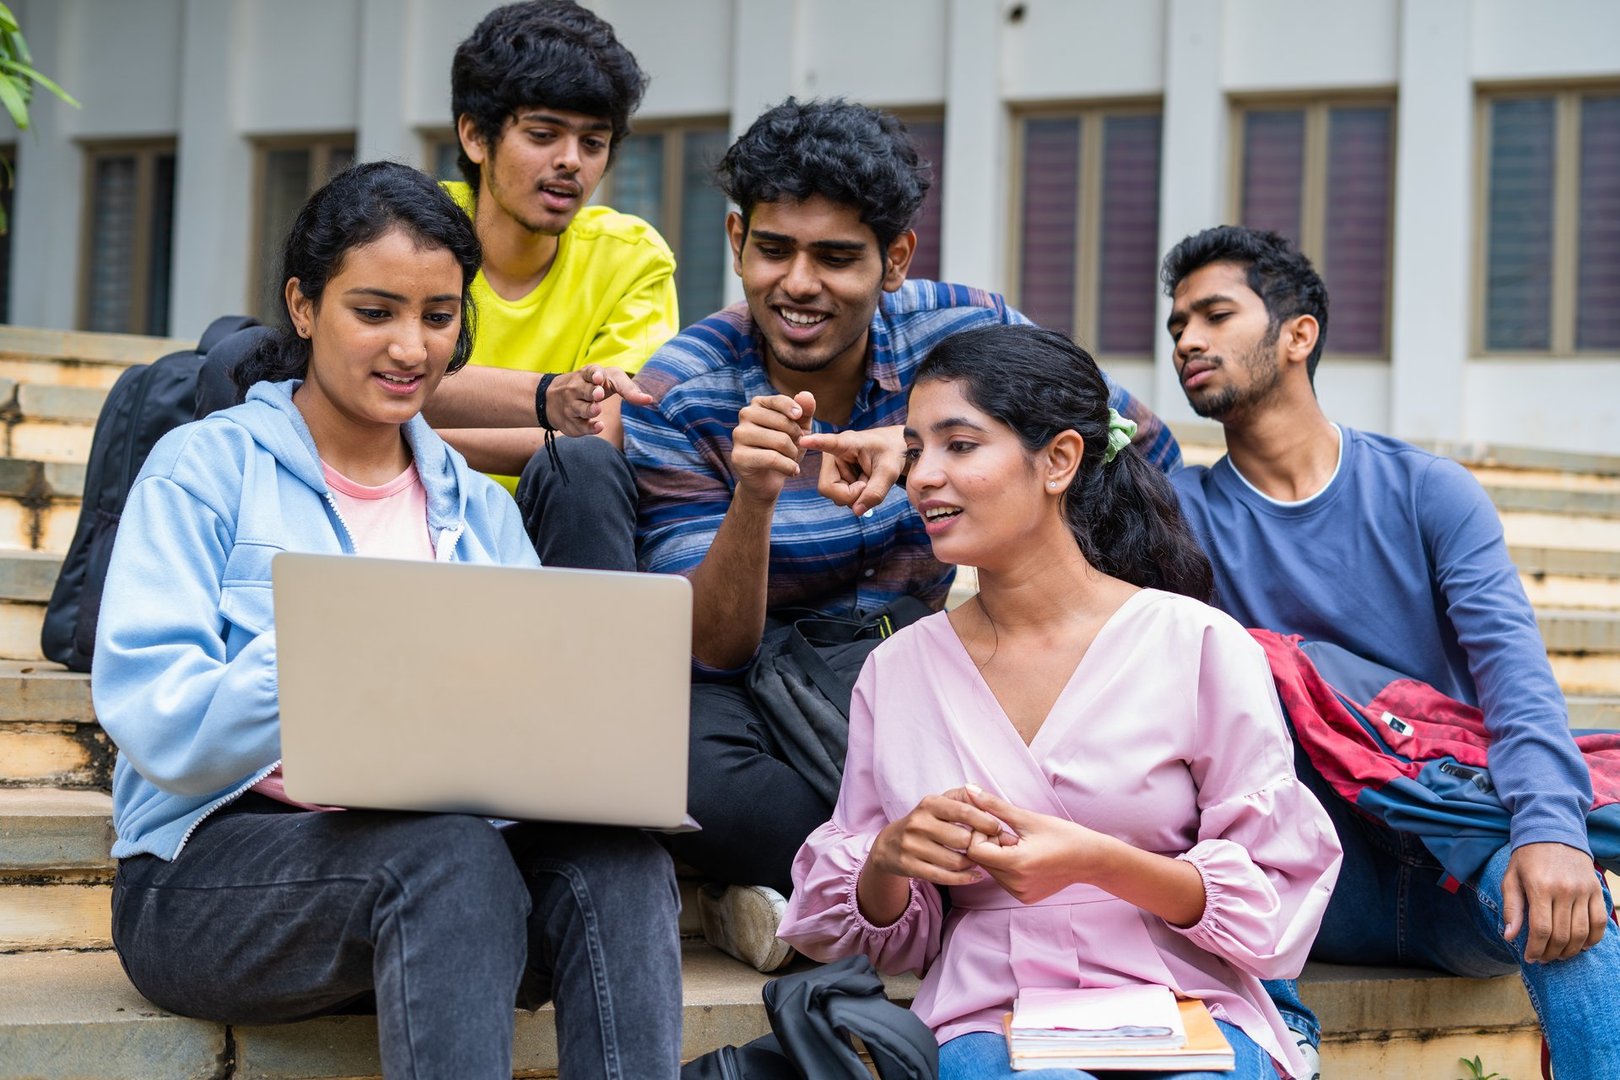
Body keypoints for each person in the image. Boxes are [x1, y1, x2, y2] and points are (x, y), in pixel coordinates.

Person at [91, 162, 681, 1080]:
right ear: (302, 305)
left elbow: (523, 739)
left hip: (439, 892)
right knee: (445, 860)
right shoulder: (203, 470)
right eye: (375, 312)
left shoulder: (478, 510)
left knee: (621, 860)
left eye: (438, 318)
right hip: (204, 880)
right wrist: (336, 649)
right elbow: (161, 728)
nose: (411, 347)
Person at [620, 98, 1182, 971]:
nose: (798, 284)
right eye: (773, 250)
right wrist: (755, 503)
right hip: (755, 677)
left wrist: (925, 442)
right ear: (736, 241)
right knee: (680, 771)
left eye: (837, 257)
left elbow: (1134, 439)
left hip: (927, 658)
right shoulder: (682, 390)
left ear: (896, 260)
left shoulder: (962, 333)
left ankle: (815, 897)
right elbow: (713, 650)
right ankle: (876, 887)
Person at [777, 323, 1342, 1080]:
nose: (922, 477)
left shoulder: (1198, 643)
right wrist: (888, 859)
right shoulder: (897, 670)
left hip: (1186, 1002)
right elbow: (887, 940)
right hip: (989, 1011)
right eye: (914, 450)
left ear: (1059, 460)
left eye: (960, 445)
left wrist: (1096, 862)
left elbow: (1274, 900)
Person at [1161, 224, 1620, 1079]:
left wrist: (1551, 832)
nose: (1187, 339)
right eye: (1176, 325)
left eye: (1215, 314)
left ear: (1299, 335)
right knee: (1248, 674)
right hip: (1303, 885)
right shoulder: (1180, 515)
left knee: (1576, 907)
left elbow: (1514, 676)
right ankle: (1276, 1035)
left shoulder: (1426, 492)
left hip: (1454, 849)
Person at [424, 0, 679, 569]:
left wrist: (402, 438)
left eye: (593, 143)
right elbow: (340, 382)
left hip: (545, 531)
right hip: (397, 505)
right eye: (543, 134)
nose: (571, 162)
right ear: (474, 136)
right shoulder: (409, 230)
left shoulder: (630, 258)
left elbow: (599, 438)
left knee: (583, 468)